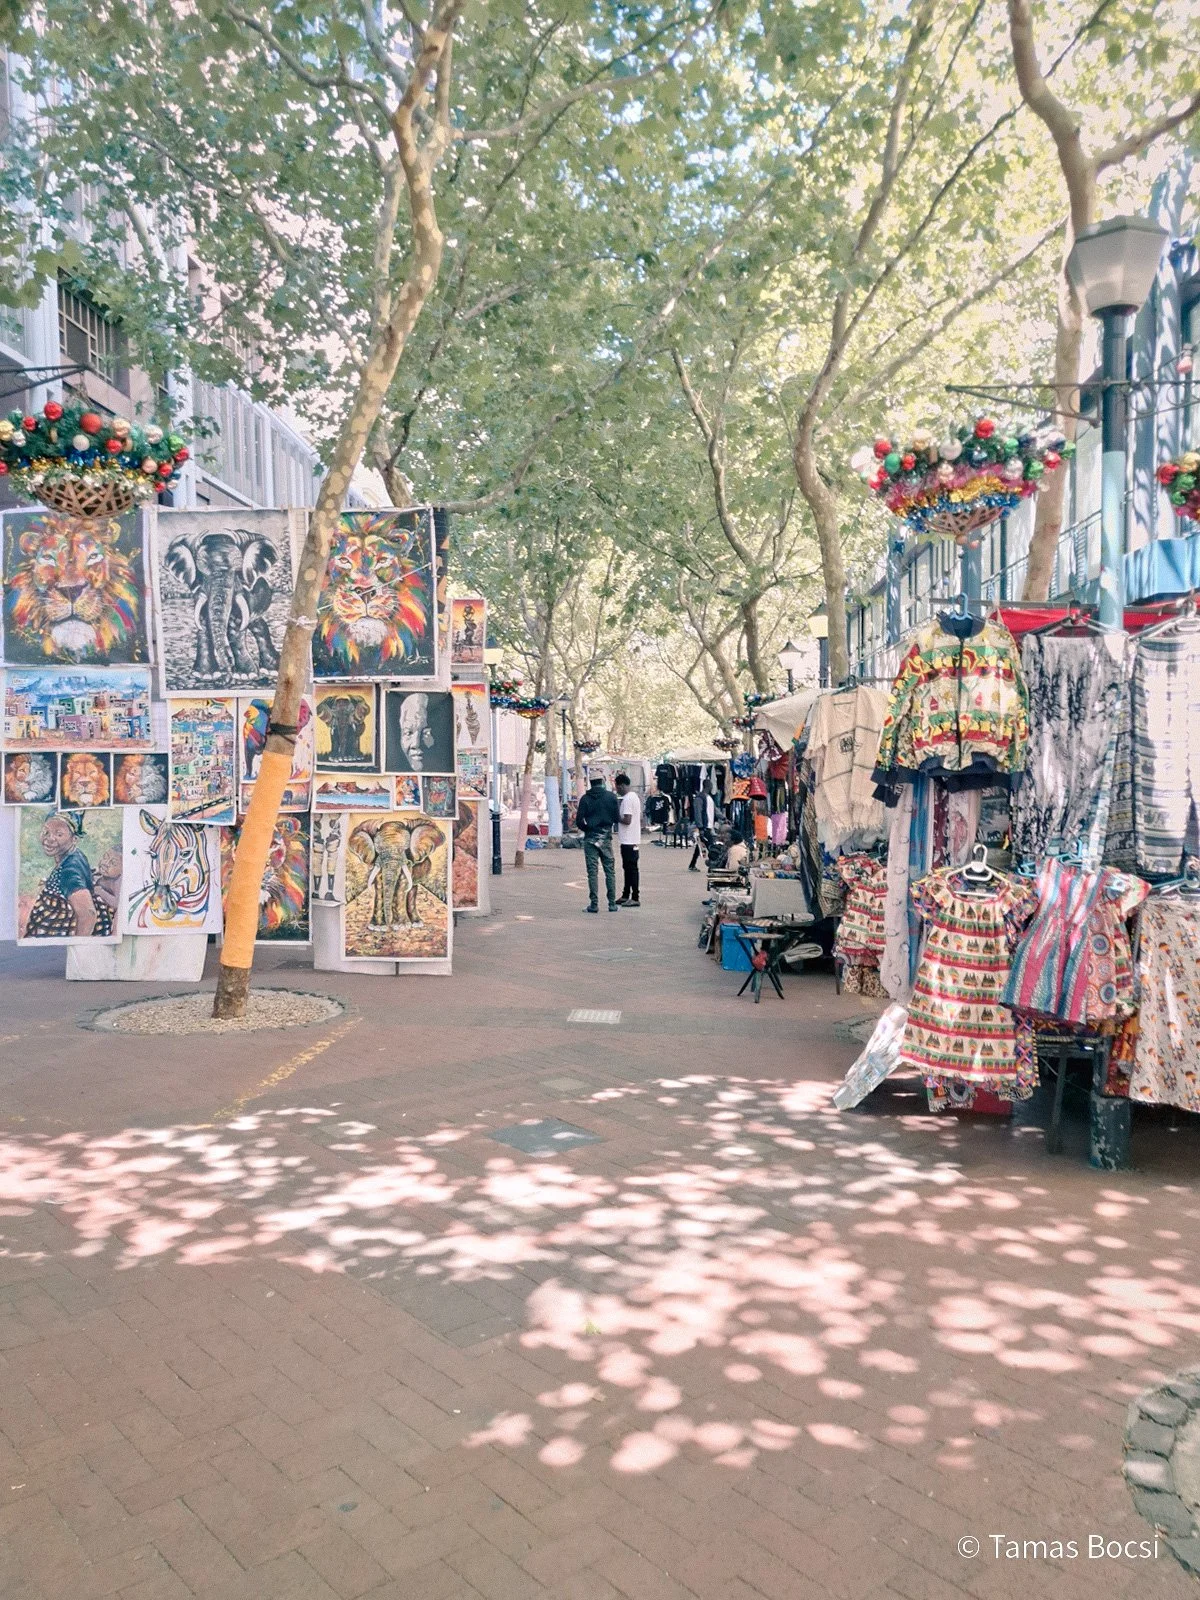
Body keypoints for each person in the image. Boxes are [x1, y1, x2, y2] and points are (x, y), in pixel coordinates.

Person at [575, 774, 620, 912]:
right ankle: (612, 903)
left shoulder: (585, 799)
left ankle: (594, 904)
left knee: (592, 872)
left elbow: (579, 820)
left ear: (590, 782)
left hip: (590, 838)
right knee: (609, 871)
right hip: (605, 838)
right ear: (602, 781)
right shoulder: (611, 797)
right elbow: (616, 818)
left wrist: (588, 829)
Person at [614, 772, 642, 907]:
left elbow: (627, 820)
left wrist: (616, 817)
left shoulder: (627, 800)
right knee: (628, 868)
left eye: (617, 787)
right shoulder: (634, 797)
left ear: (621, 786)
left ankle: (635, 897)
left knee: (631, 869)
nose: (617, 790)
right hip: (631, 838)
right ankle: (626, 894)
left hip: (628, 840)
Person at [688, 781, 717, 871]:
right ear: (708, 786)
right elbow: (698, 813)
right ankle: (715, 865)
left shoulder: (709, 798)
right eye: (711, 785)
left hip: (708, 826)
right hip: (704, 827)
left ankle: (692, 864)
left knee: (700, 846)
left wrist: (723, 818)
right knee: (711, 847)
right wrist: (700, 827)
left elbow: (715, 810)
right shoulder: (700, 798)